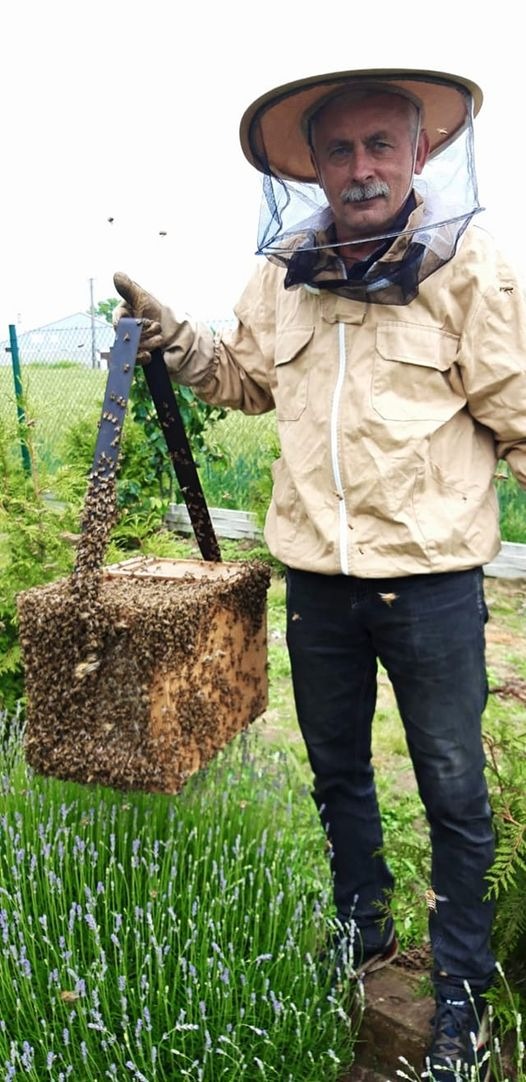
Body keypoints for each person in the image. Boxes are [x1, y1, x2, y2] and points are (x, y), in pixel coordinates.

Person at [112, 67, 526, 1079]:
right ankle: (363, 929)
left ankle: (463, 995)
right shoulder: (284, 271)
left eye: (380, 145)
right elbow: (246, 381)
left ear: (419, 154)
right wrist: (175, 334)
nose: (360, 167)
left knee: (452, 790)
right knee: (337, 771)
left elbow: (520, 412)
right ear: (313, 168)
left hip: (429, 583)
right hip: (318, 584)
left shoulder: (468, 267)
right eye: (339, 150)